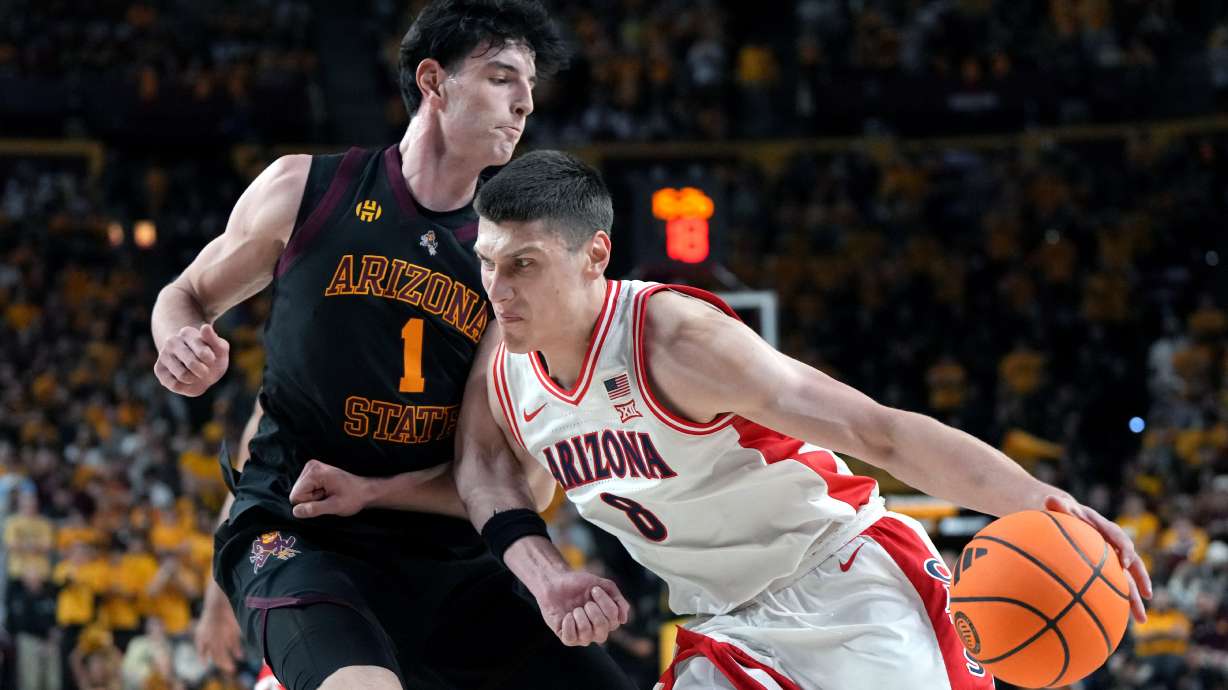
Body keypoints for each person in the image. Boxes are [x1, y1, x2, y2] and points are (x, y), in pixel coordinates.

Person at [289, 150, 1155, 689]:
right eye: (486, 263)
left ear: (594, 255)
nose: (498, 290)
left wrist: (1037, 498)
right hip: (720, 623)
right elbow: (490, 476)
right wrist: (537, 571)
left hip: (842, 583)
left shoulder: (677, 340)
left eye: (522, 265)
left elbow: (879, 433)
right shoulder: (504, 366)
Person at [150, 3, 633, 688]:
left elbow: (516, 479)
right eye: (501, 78)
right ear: (433, 81)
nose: (524, 102)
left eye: (529, 87)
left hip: (450, 559)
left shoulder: (507, 258)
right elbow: (185, 295)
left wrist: (374, 492)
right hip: (297, 536)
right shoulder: (305, 189)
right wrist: (178, 345)